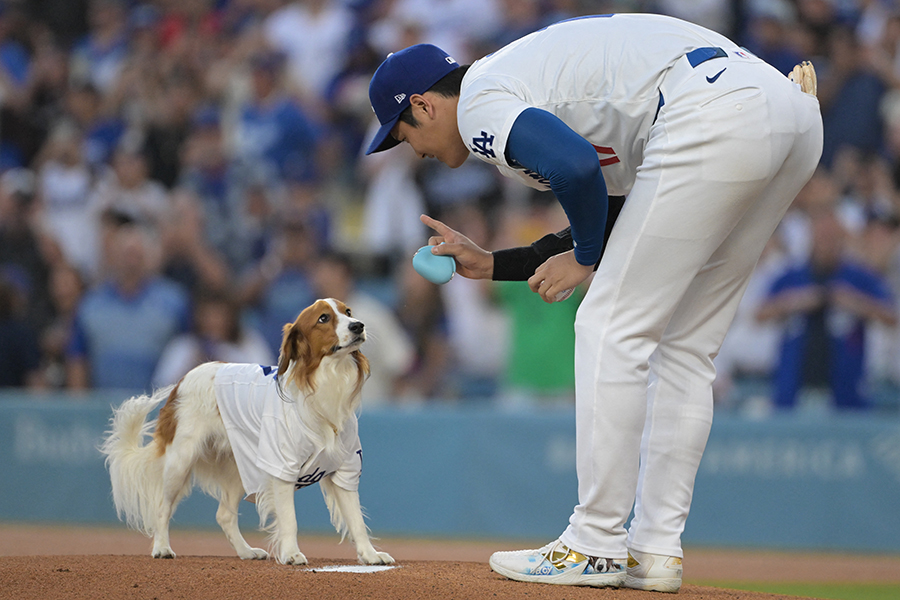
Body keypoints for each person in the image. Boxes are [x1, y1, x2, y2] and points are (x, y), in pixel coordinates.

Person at [364, 14, 823, 592]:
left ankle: (596, 542)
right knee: (684, 347)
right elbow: (622, 213)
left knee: (608, 324)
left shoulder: (480, 99)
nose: (409, 148)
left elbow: (576, 168)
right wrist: (499, 262)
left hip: (714, 109)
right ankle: (654, 549)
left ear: (425, 105)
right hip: (785, 111)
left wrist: (582, 259)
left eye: (401, 133)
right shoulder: (520, 83)